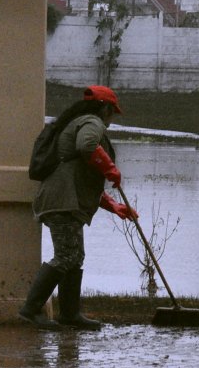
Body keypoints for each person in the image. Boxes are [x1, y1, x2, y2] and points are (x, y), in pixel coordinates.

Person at [18, 85, 138, 329]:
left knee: (75, 256)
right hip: (62, 201)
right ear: (105, 109)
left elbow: (81, 178)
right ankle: (30, 310)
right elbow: (87, 146)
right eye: (112, 112)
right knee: (67, 256)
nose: (112, 119)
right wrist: (110, 169)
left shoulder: (77, 122)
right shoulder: (92, 122)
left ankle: (70, 314)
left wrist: (115, 206)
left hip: (64, 200)